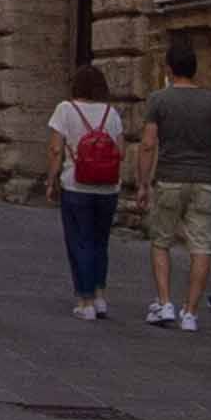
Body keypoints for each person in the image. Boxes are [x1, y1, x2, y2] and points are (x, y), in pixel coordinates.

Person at [134, 36, 211, 332]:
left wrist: (143, 183)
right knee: (201, 246)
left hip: (170, 178)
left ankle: (165, 303)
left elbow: (148, 144)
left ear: (169, 69)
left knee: (161, 241)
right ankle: (190, 312)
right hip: (205, 180)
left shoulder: (158, 100)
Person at [46, 63, 129, 320]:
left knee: (80, 242)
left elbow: (55, 149)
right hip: (108, 188)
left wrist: (51, 179)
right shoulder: (111, 113)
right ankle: (100, 296)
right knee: (100, 242)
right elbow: (121, 151)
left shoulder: (65, 109)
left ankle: (85, 301)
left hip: (76, 185)